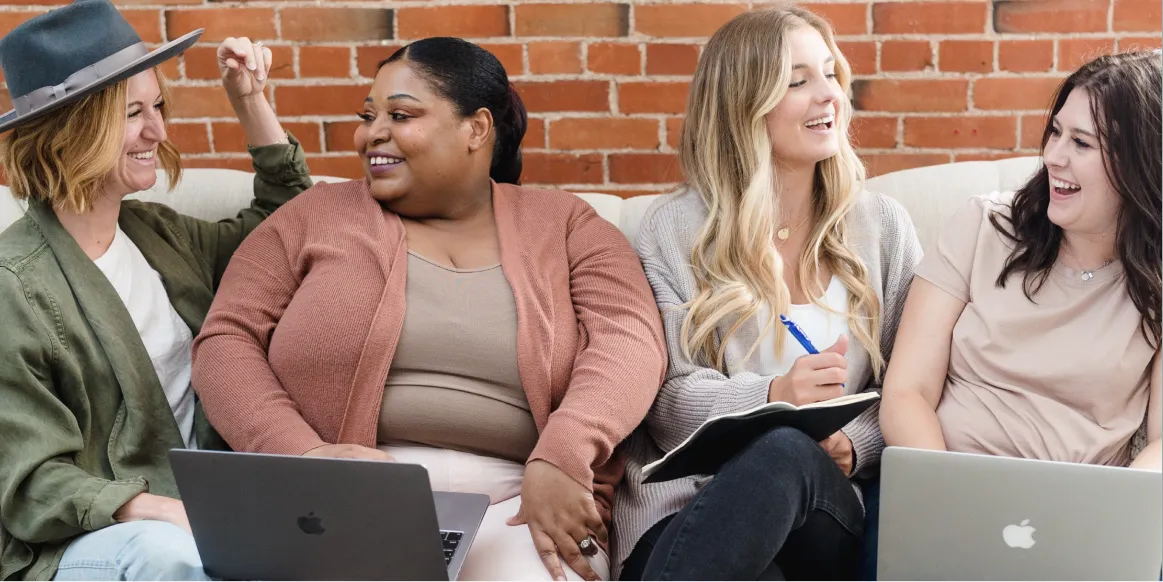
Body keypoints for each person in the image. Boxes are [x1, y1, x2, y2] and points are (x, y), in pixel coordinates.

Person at [190, 37, 667, 581]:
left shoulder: (566, 224)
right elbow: (226, 340)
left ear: (476, 129)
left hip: (521, 504)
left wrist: (563, 453)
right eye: (368, 116)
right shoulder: (313, 214)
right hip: (342, 502)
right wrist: (304, 456)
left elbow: (630, 339)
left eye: (401, 115)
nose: (373, 133)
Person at [0, 1, 315, 579]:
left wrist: (249, 101)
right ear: (72, 130)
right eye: (132, 113)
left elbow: (289, 230)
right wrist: (171, 511)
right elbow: (31, 479)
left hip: (206, 511)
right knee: (169, 555)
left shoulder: (159, 236)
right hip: (91, 539)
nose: (158, 131)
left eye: (159, 106)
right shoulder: (12, 287)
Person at [612, 6, 922, 581]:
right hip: (686, 513)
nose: (828, 95)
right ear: (742, 104)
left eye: (831, 73)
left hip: (820, 514)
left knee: (784, 450)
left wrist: (853, 444)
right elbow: (666, 402)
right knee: (776, 450)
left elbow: (917, 385)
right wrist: (777, 393)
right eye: (798, 81)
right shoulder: (675, 229)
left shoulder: (882, 228)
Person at [880, 52, 1161, 471]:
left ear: (1139, 164)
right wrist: (944, 494)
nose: (1053, 156)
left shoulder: (1155, 281)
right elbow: (907, 392)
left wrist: (1114, 515)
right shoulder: (981, 225)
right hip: (948, 482)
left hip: (1077, 510)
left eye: (1081, 143)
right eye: (1055, 132)